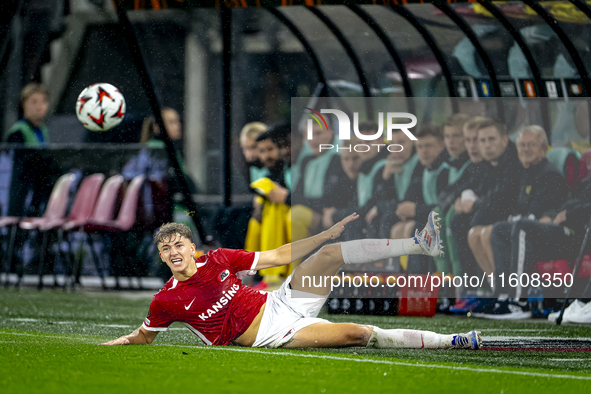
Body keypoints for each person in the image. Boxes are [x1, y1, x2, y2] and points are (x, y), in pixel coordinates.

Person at [102, 211, 481, 350]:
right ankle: (453, 341)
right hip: (271, 335)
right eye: (166, 248)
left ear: (191, 246)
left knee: (330, 254)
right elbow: (145, 335)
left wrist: (325, 234)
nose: (173, 250)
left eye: (178, 243)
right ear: (163, 257)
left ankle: (419, 243)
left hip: (280, 302)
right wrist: (120, 342)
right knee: (358, 334)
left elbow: (279, 256)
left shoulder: (219, 259)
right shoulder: (165, 300)